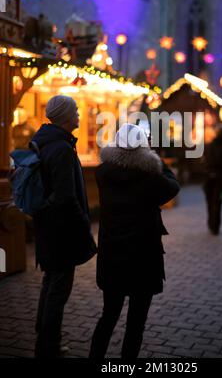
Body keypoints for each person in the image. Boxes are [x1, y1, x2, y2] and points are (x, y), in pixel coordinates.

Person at [89, 123, 180, 361]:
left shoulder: (103, 173)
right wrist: (154, 159)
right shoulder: (149, 176)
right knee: (136, 323)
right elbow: (172, 186)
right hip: (143, 256)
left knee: (108, 316)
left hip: (113, 253)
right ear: (143, 147)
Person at [30, 95, 97, 358]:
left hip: (48, 228)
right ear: (65, 116)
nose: (79, 114)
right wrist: (84, 223)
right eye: (75, 110)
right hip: (61, 231)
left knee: (50, 283)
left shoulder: (45, 143)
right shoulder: (61, 149)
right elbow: (66, 197)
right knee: (58, 291)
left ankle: (45, 339)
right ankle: (47, 347)